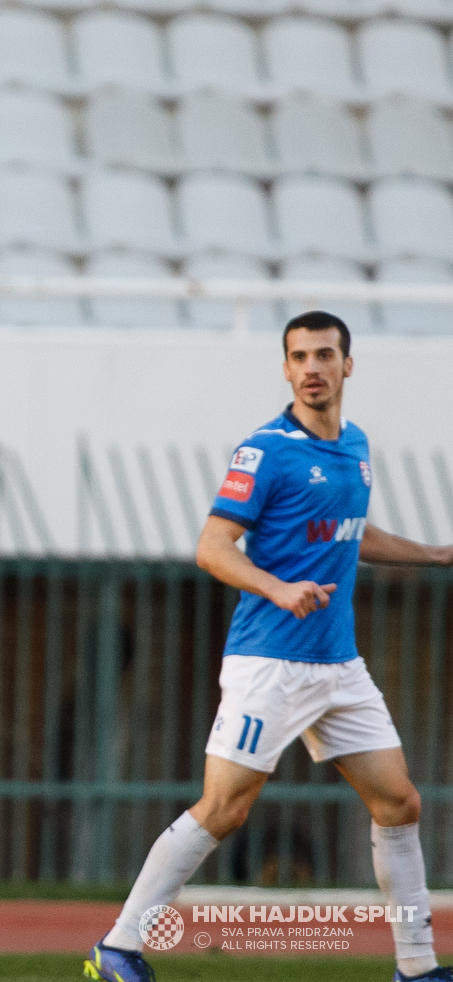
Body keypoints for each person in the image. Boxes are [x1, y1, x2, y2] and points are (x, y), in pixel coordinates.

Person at [85, 312, 453, 982]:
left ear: (348, 364)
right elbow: (212, 547)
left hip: (338, 664)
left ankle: (418, 967)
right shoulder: (266, 450)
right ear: (285, 369)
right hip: (270, 662)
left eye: (324, 354)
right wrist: (277, 587)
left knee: (399, 802)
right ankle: (117, 945)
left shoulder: (357, 444)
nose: (312, 366)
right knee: (225, 807)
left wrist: (435, 552)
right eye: (299, 356)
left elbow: (350, 532)